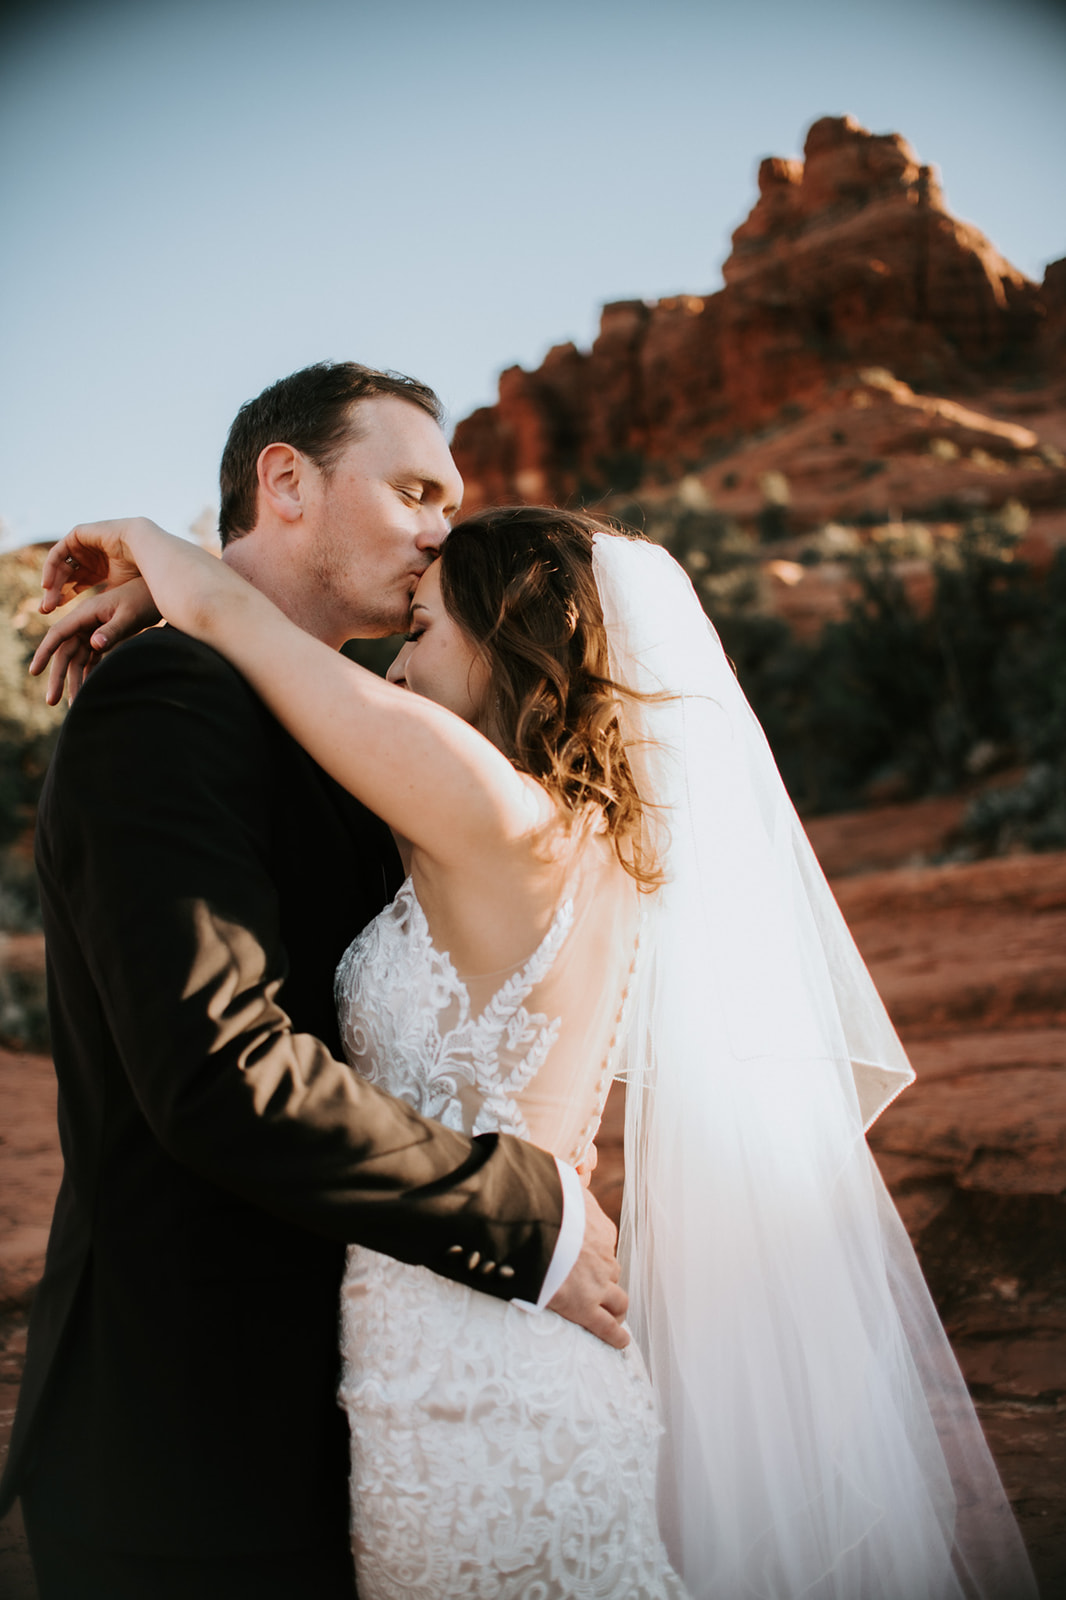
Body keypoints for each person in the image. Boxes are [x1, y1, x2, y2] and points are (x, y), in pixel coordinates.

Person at [28, 502, 1037, 1600]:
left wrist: (140, 541)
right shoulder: (569, 829)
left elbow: (236, 614)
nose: (395, 668)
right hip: (456, 1344)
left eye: (420, 632)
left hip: (485, 1371)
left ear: (509, 643)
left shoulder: (485, 810)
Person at [0, 364, 628, 1600]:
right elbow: (219, 1069)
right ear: (284, 482)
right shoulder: (171, 698)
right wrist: (525, 1212)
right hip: (189, 1440)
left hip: (374, 1409)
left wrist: (188, 584)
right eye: (411, 489)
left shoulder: (360, 729)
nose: (442, 527)